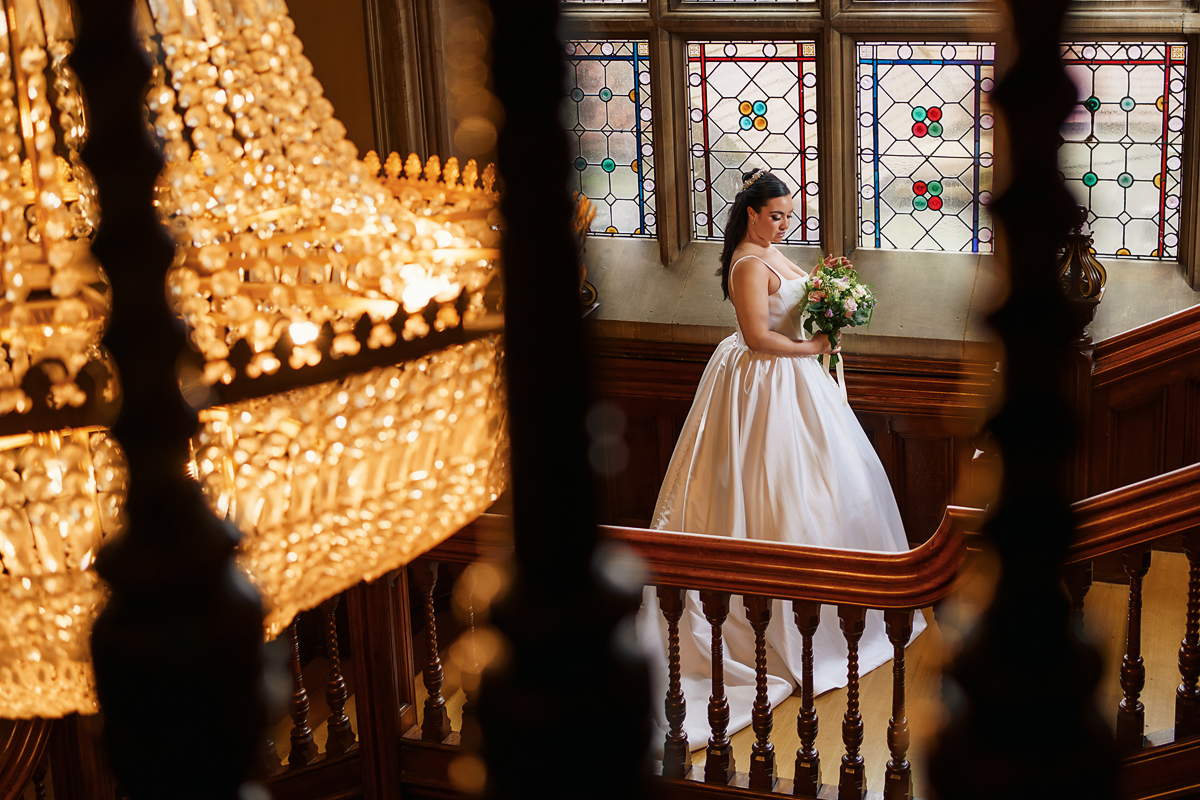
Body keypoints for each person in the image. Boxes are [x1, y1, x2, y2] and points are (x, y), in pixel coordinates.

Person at [635, 167, 926, 749]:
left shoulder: (774, 251)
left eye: (789, 215)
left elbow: (796, 306)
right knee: (767, 490)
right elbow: (755, 337)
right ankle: (762, 635)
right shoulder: (746, 263)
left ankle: (850, 609)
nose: (784, 224)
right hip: (762, 385)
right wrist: (813, 346)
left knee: (832, 487)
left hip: (797, 380)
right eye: (776, 215)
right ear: (751, 213)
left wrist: (829, 318)